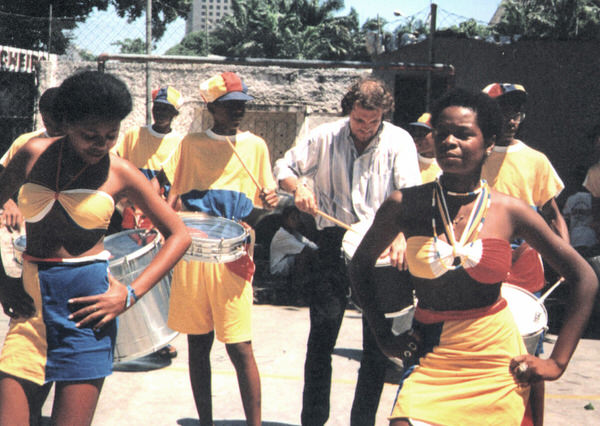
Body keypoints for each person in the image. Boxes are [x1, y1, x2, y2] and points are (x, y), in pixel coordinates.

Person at [349, 88, 598, 426]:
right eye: (443, 133)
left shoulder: (510, 211)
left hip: (495, 357)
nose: (450, 142)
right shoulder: (405, 204)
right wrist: (383, 334)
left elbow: (584, 277)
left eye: (464, 134)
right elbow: (360, 265)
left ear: (488, 143)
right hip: (432, 356)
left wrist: (557, 362)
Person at [0, 70, 191, 425]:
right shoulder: (31, 155)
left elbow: (179, 234)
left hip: (87, 318)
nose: (100, 144)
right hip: (30, 313)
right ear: (66, 123)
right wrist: (2, 280)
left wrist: (131, 294)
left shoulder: (122, 173)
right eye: (90, 135)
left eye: (110, 135)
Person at [273, 77, 421, 426]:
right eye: (359, 121)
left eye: (374, 121)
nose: (366, 128)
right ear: (348, 113)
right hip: (332, 243)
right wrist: (300, 188)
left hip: (380, 244)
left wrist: (402, 235)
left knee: (376, 343)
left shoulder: (399, 141)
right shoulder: (326, 135)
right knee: (322, 335)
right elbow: (284, 168)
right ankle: (313, 420)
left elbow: (412, 196)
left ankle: (362, 422)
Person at [161, 71, 279, 426]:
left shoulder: (255, 145)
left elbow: (262, 200)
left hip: (233, 255)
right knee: (198, 343)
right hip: (195, 254)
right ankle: (205, 422)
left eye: (242, 104)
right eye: (229, 106)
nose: (238, 111)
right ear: (212, 107)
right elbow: (176, 197)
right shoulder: (192, 144)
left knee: (239, 345)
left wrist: (267, 204)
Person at [481, 82, 570, 423]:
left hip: (525, 267)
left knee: (530, 354)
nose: (510, 119)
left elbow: (553, 214)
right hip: (484, 258)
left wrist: (562, 256)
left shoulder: (536, 160)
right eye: (503, 111)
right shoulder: (477, 155)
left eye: (516, 112)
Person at [112, 85, 184, 359]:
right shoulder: (134, 135)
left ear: (175, 114)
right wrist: (126, 202)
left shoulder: (180, 143)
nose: (162, 113)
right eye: (159, 107)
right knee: (134, 269)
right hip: (133, 212)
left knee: (163, 272)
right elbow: (116, 164)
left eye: (168, 109)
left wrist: (165, 212)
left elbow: (177, 182)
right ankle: (134, 331)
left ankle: (162, 335)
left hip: (164, 211)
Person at [0, 87, 62, 232]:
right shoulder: (27, 143)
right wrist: (8, 203)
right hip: (28, 226)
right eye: (48, 124)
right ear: (42, 117)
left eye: (60, 126)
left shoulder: (83, 147)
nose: (55, 131)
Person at [269, 205, 319, 302]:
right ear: (285, 219)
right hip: (278, 268)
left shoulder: (294, 233)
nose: (296, 221)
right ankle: (297, 291)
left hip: (288, 264)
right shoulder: (282, 235)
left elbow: (312, 246)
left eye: (297, 218)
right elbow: (305, 249)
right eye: (292, 218)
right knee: (302, 256)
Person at [407, 112, 441, 183]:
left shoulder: (445, 166)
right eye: (415, 133)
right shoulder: (407, 161)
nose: (416, 138)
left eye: (422, 133)